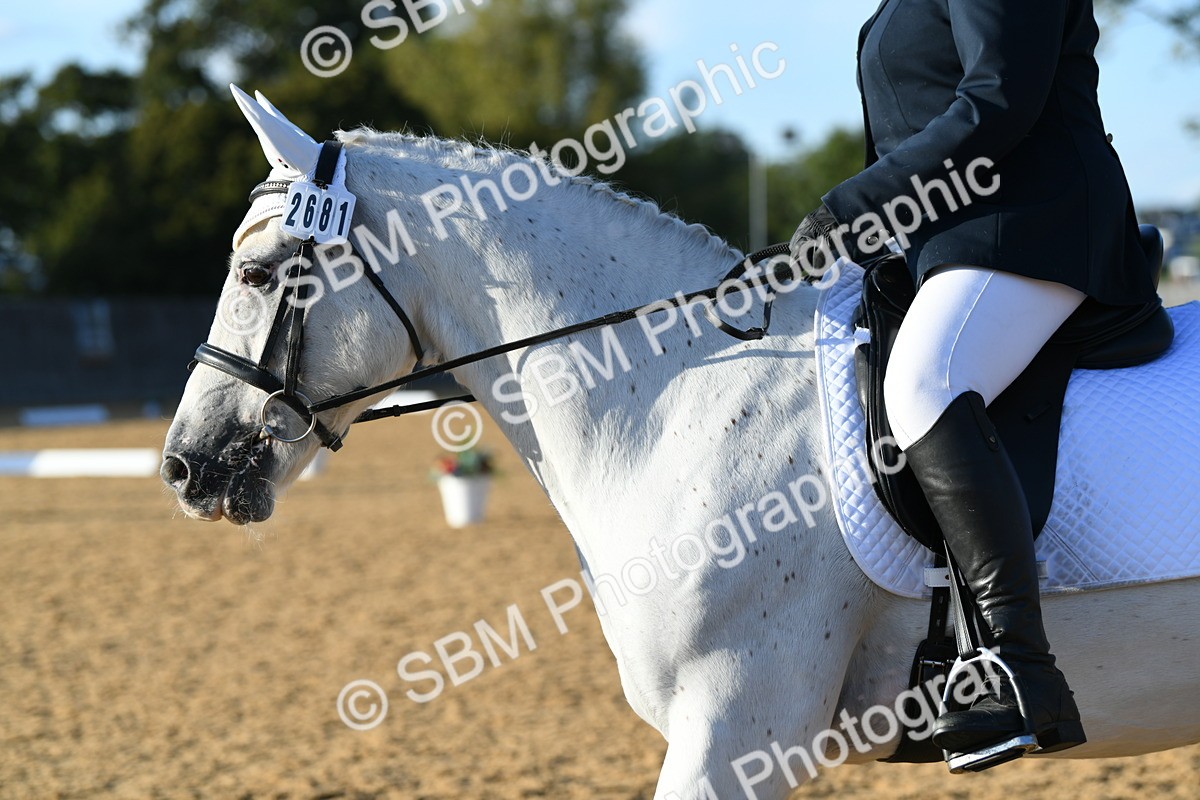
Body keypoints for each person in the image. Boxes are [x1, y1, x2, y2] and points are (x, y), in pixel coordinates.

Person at [791, 0, 1158, 757]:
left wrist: (853, 205)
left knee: (926, 381)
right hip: (957, 237)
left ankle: (1018, 665)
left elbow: (998, 98)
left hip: (1036, 225)